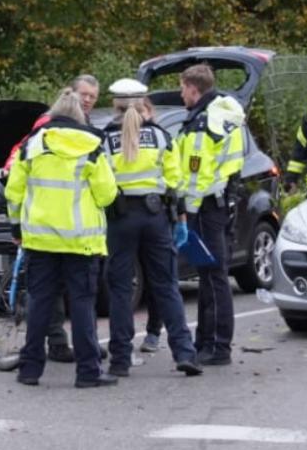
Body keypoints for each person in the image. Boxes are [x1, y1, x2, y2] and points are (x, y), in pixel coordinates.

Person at [5, 88, 118, 388]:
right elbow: (107, 195)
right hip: (81, 241)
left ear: (52, 115)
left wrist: (17, 228)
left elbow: (13, 192)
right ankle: (88, 372)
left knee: (40, 303)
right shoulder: (93, 145)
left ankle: (29, 370)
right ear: (79, 116)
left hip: (40, 239)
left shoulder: (32, 146)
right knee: (82, 306)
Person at [101, 78, 202, 377]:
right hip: (156, 216)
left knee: (120, 290)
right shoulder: (160, 136)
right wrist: (178, 214)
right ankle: (185, 353)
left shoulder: (105, 139)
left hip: (120, 217)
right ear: (143, 103)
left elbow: (101, 183)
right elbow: (176, 180)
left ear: (115, 105)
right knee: (166, 285)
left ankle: (120, 359)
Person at [176, 64, 246, 366]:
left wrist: (186, 210)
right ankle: (206, 342)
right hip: (218, 203)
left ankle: (217, 346)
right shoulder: (223, 115)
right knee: (209, 276)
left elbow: (196, 175)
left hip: (204, 207)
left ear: (193, 88)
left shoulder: (204, 123)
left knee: (214, 276)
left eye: (182, 89)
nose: (181, 95)